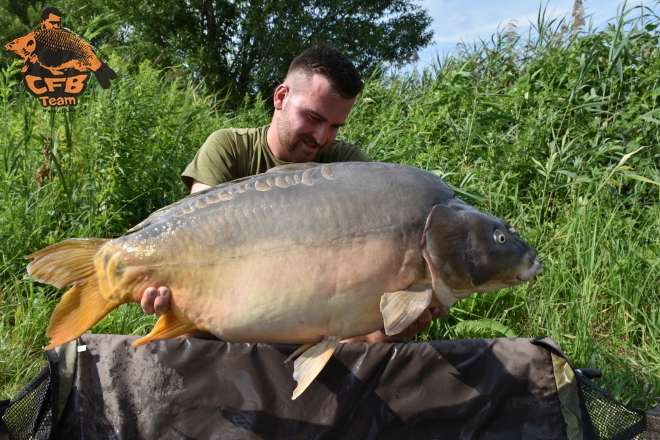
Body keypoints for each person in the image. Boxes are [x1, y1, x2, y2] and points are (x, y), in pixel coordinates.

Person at [140, 44, 446, 342]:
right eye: (313, 118)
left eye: (335, 126)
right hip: (232, 305)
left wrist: (396, 317)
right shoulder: (228, 148)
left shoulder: (350, 167)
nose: (321, 137)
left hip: (314, 311)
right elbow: (194, 237)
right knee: (193, 315)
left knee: (375, 333)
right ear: (281, 97)